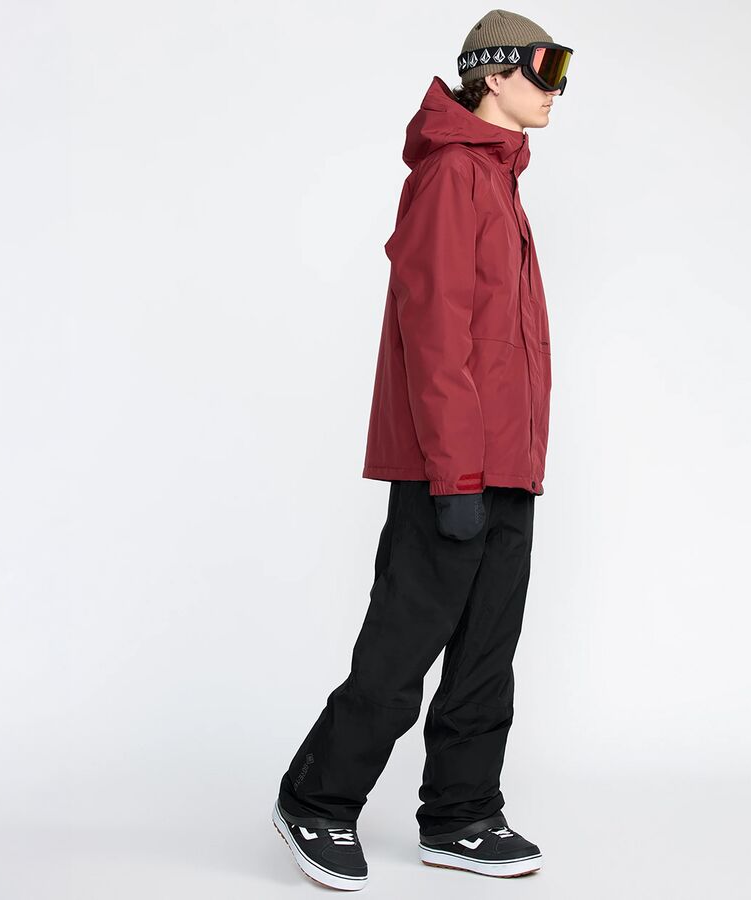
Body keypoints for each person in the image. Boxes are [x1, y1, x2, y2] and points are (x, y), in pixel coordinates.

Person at [272, 9, 571, 891]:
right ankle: (315, 802)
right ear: (494, 73)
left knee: (486, 653)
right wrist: (454, 475)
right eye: (546, 69)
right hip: (453, 468)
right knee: (403, 647)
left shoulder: (499, 178)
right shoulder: (452, 175)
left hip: (505, 466)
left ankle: (461, 815)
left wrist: (508, 466)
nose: (556, 90)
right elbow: (434, 336)